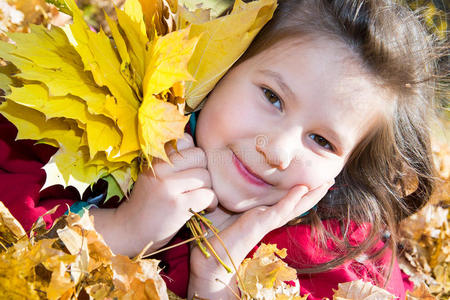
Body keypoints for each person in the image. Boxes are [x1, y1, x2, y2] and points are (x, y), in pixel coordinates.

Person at [0, 0, 440, 299]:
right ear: (219, 66)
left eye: (322, 142)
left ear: (344, 172)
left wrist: (215, 287)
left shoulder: (332, 261)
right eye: (272, 97)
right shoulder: (87, 133)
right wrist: (120, 229)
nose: (279, 151)